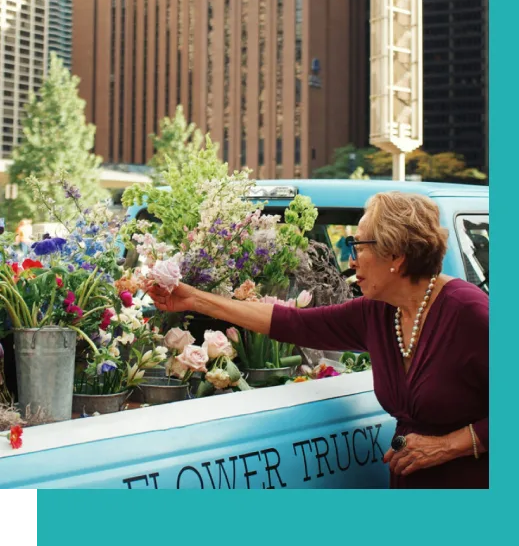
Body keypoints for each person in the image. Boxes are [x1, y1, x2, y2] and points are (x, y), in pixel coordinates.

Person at [146, 191, 489, 489]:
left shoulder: (469, 312)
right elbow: (290, 322)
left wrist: (448, 445)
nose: (351, 260)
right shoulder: (379, 312)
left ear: (396, 256)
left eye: (359, 245)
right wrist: (195, 299)